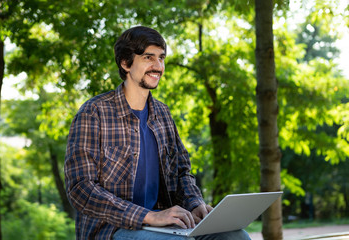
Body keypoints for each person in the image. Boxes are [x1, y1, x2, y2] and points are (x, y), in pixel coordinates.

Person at [64, 26, 251, 240]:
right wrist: (148, 216)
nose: (158, 66)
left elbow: (182, 171)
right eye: (148, 57)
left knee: (235, 236)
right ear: (126, 63)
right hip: (111, 229)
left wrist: (195, 203)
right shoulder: (93, 113)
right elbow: (80, 188)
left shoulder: (162, 113)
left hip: (165, 224)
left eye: (161, 58)